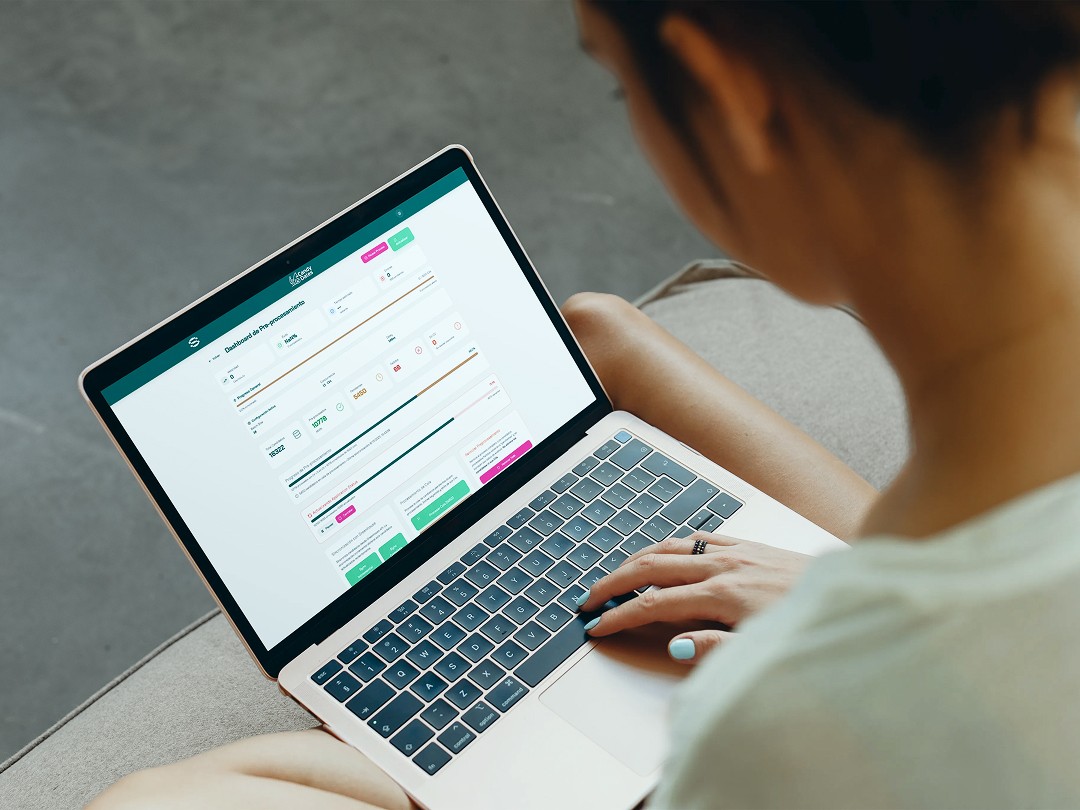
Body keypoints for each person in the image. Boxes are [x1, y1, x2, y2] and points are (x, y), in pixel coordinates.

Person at [92, 1, 1080, 807]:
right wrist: (839, 594)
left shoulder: (784, 739)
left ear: (726, 93)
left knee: (149, 800)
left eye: (620, 81)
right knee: (602, 334)